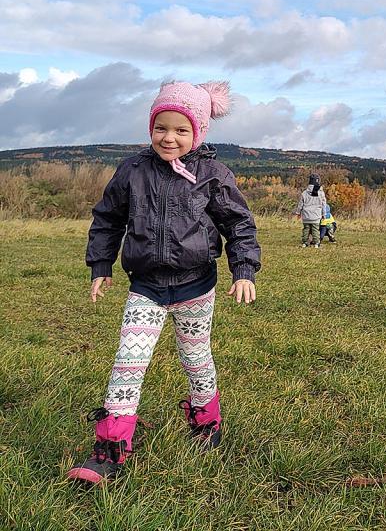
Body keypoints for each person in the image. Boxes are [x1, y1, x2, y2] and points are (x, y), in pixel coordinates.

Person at [67, 80, 260, 485]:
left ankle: (206, 422)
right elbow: (108, 218)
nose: (169, 137)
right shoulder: (132, 170)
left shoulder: (212, 174)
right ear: (150, 127)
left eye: (181, 129)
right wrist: (101, 264)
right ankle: (110, 449)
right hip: (147, 288)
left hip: (195, 287)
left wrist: (243, 269)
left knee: (196, 358)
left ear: (199, 131)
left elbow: (238, 224)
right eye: (161, 127)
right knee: (128, 362)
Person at [294, 173, 326, 247]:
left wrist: (298, 213)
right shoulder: (321, 193)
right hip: (316, 215)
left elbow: (300, 204)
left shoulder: (304, 193)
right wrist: (323, 214)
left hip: (306, 215)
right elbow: (323, 205)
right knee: (315, 230)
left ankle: (305, 242)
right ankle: (316, 243)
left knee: (306, 229)